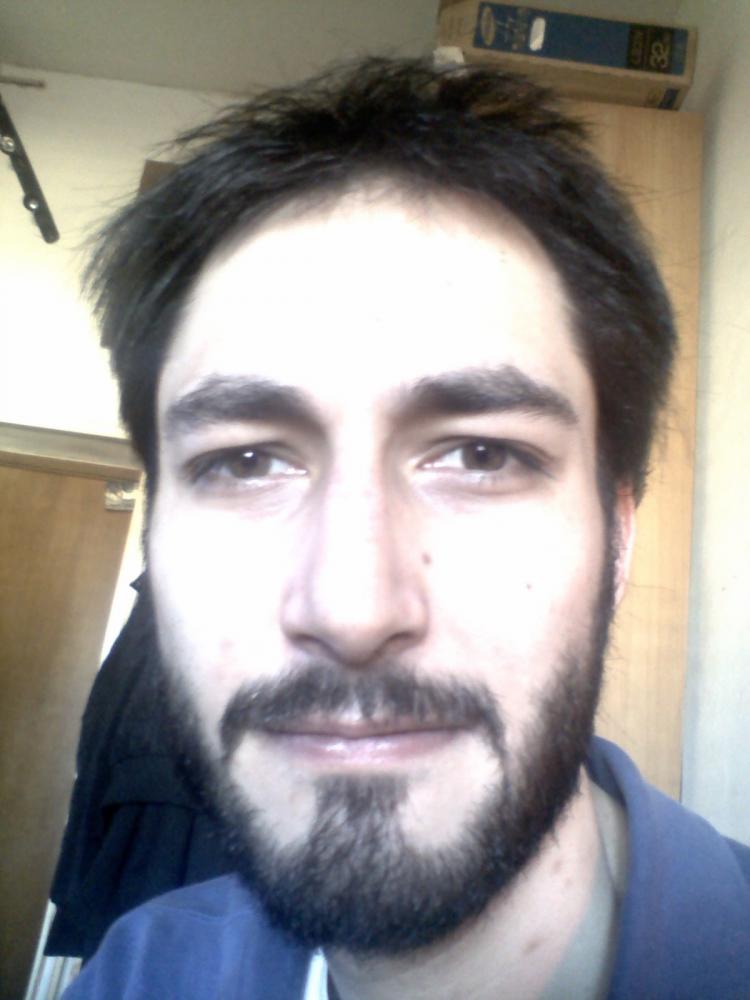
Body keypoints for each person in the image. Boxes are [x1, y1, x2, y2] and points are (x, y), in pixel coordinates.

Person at [64, 57, 750, 999]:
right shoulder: (136, 973)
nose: (351, 610)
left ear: (618, 539)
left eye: (481, 453)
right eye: (246, 460)